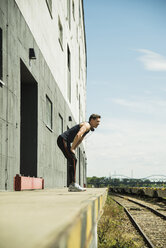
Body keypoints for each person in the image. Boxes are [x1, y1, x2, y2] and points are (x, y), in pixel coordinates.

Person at [57, 114, 101, 192]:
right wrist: (72, 148)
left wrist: (73, 148)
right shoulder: (86, 125)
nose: (98, 123)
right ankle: (72, 184)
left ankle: (72, 185)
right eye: (97, 121)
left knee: (73, 160)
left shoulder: (89, 128)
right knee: (73, 160)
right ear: (92, 120)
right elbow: (78, 135)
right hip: (62, 140)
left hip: (65, 141)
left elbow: (80, 139)